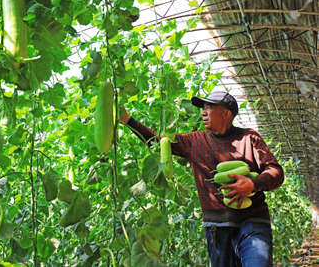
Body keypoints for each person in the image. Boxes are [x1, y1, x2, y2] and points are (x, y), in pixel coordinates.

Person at [120, 91, 284, 267]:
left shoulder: (249, 138)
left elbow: (276, 171)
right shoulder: (194, 141)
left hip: (253, 223)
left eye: (209, 107)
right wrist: (127, 120)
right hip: (217, 229)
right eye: (203, 108)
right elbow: (157, 141)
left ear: (227, 113)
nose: (203, 112)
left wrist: (253, 184)